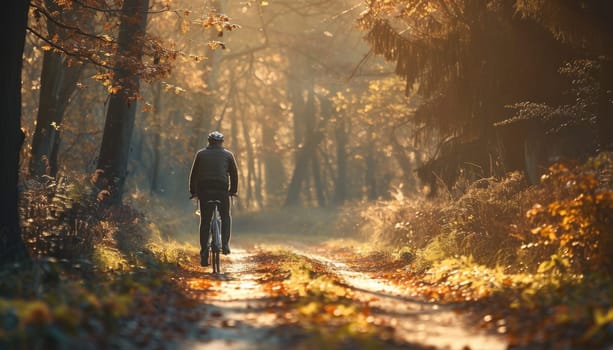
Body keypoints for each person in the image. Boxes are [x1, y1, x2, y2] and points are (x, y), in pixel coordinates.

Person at [189, 131, 238, 266]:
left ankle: (204, 252)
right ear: (222, 143)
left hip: (205, 190)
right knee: (225, 216)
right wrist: (233, 191)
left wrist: (194, 192)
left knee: (205, 220)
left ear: (209, 142)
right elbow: (234, 175)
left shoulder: (201, 154)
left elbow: (194, 175)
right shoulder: (228, 155)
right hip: (221, 190)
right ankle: (225, 245)